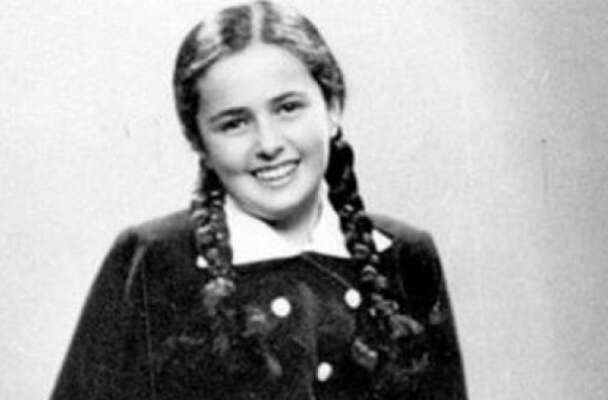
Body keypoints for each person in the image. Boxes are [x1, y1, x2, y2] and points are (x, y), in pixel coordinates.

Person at [50, 1, 467, 399]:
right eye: (234, 123)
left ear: (333, 107)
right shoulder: (154, 261)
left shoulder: (404, 257)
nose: (268, 144)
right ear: (199, 141)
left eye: (288, 108)